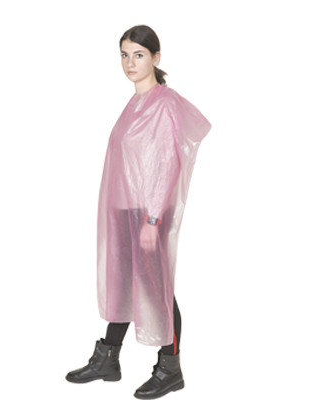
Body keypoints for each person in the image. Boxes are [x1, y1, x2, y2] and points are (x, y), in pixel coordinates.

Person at [65, 25, 212, 399]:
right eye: (124, 55)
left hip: (148, 215)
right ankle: (108, 359)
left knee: (157, 288)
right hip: (124, 210)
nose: (130, 63)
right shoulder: (134, 103)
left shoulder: (164, 104)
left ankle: (170, 369)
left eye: (139, 55)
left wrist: (152, 219)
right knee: (124, 283)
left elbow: (168, 164)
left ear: (156, 58)